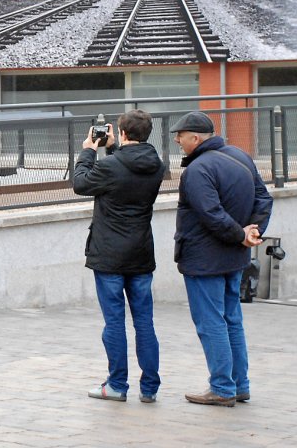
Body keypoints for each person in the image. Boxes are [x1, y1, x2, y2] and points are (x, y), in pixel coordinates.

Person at [170, 111, 273, 407]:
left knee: (212, 322)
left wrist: (243, 235)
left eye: (181, 135)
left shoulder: (198, 169)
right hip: (234, 257)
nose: (178, 140)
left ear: (196, 138)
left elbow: (210, 213)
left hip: (205, 260)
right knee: (232, 321)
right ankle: (239, 385)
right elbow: (263, 198)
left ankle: (222, 388)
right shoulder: (240, 156)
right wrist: (253, 231)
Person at [73, 109, 167, 404]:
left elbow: (81, 183)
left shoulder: (110, 166)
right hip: (140, 253)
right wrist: (114, 148)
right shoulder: (157, 165)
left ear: (122, 132)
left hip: (110, 256)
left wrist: (89, 151)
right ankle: (149, 388)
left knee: (114, 322)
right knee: (144, 322)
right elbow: (129, 168)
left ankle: (117, 385)